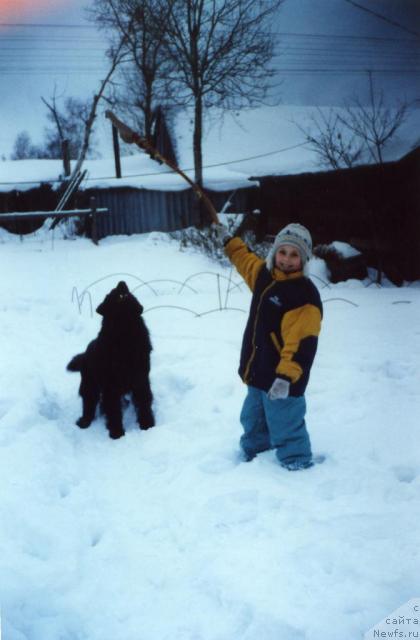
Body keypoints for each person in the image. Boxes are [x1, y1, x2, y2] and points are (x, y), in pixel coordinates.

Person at [216, 222, 323, 471]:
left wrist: (285, 378)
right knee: (252, 419)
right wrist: (230, 243)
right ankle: (255, 456)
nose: (286, 259)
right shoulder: (265, 276)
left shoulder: (304, 297)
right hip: (259, 370)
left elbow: (301, 346)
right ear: (274, 252)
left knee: (286, 423)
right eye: (282, 252)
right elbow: (245, 261)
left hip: (284, 377)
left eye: (294, 254)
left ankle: (296, 463)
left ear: (304, 259)